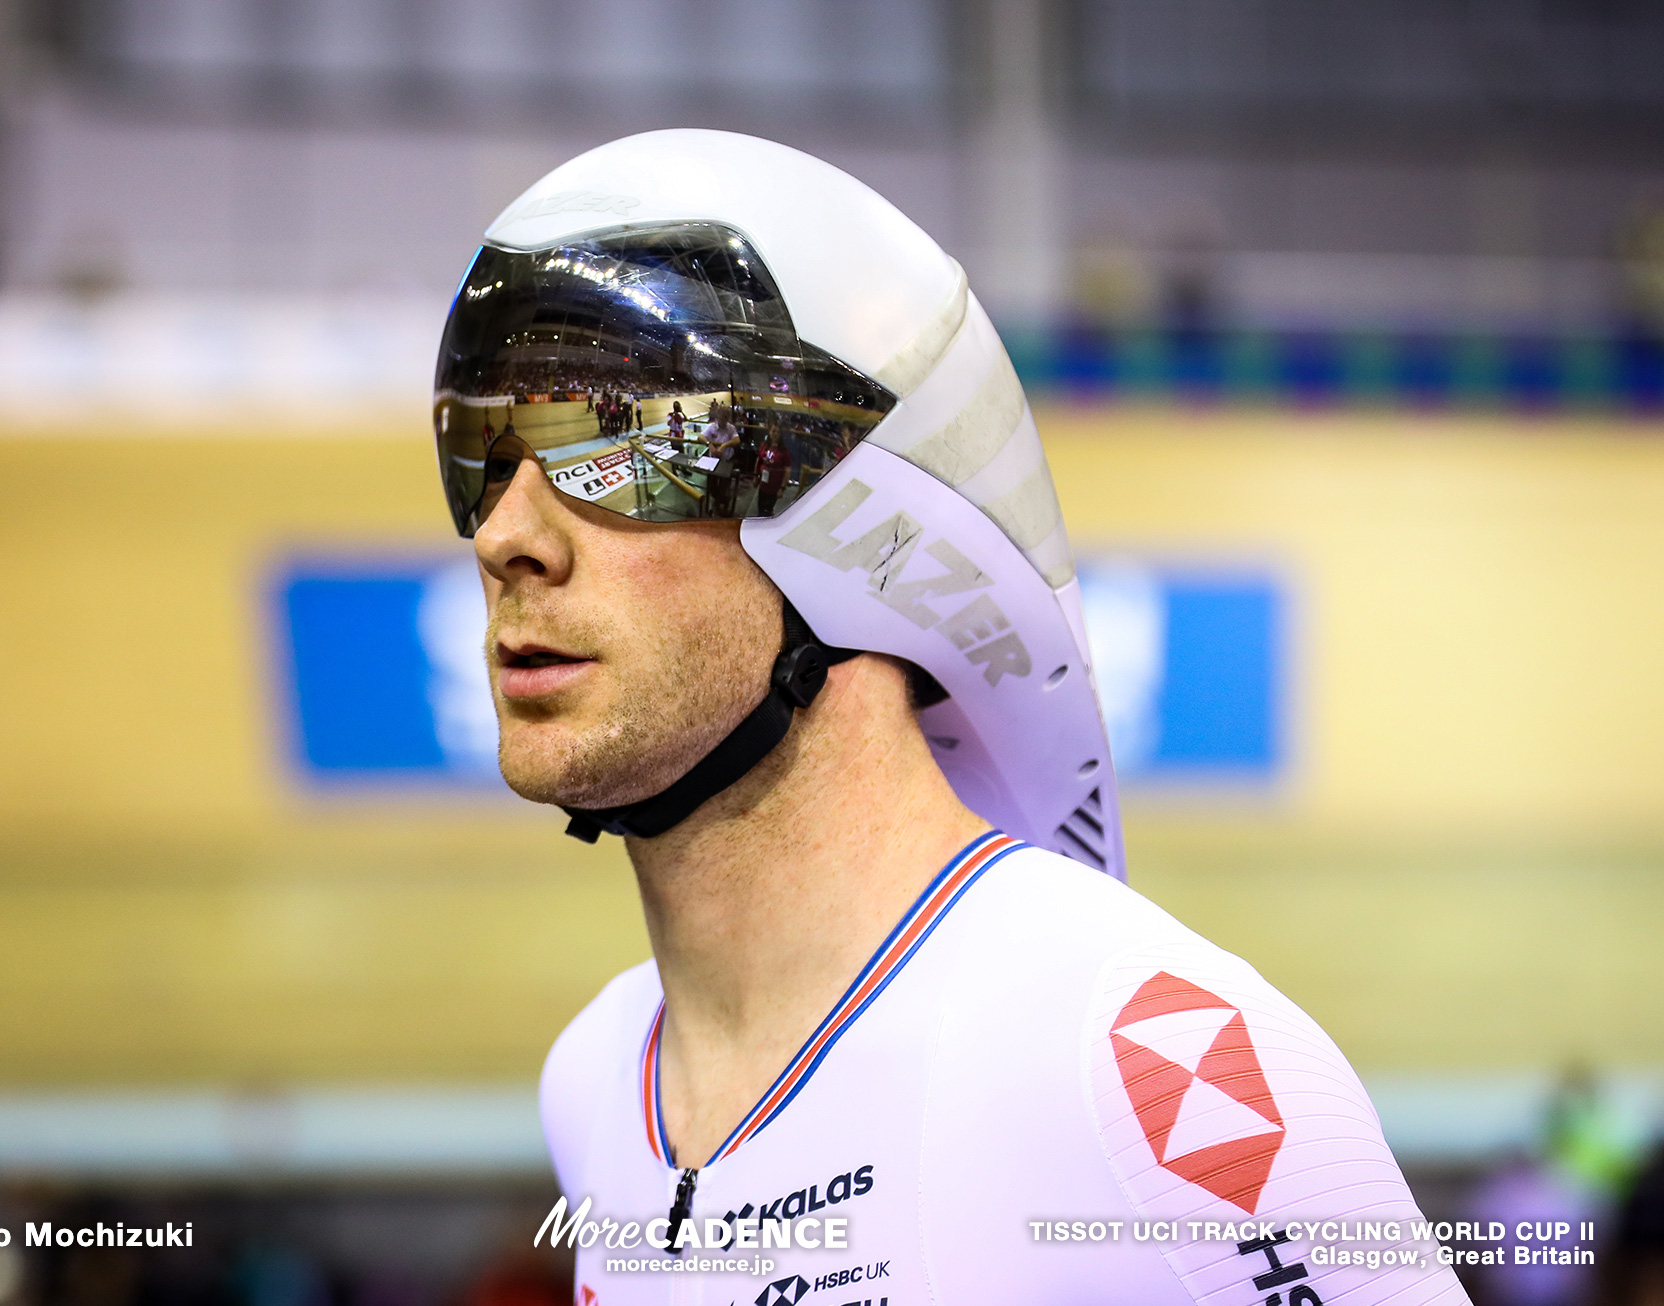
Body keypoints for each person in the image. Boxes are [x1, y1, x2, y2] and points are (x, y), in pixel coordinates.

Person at [430, 129, 1468, 1306]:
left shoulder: (1142, 1053)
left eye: (613, 445)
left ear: (864, 535)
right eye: (482, 449)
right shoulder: (596, 1077)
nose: (504, 534)